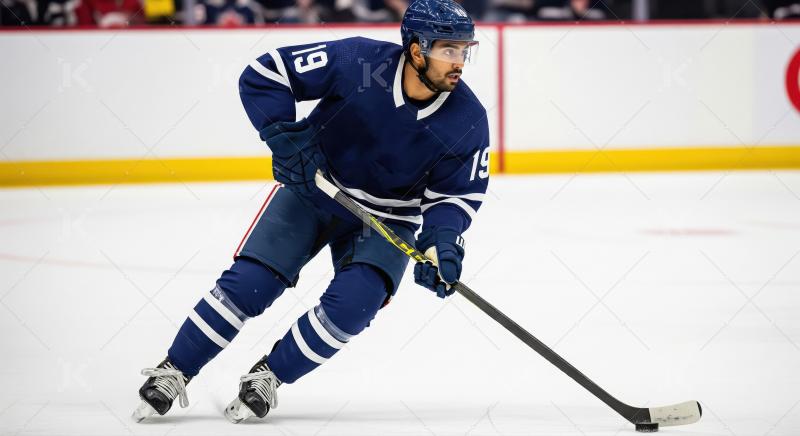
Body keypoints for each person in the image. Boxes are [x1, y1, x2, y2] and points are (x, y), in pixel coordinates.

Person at [132, 0, 490, 424]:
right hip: (313, 190)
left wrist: (442, 245)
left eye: (465, 51)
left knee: (356, 304)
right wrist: (285, 137)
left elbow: (455, 196)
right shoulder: (359, 61)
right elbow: (266, 74)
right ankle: (175, 369)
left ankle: (270, 376)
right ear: (416, 49)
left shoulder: (468, 118)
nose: (460, 62)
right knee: (251, 284)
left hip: (388, 220)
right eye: (449, 50)